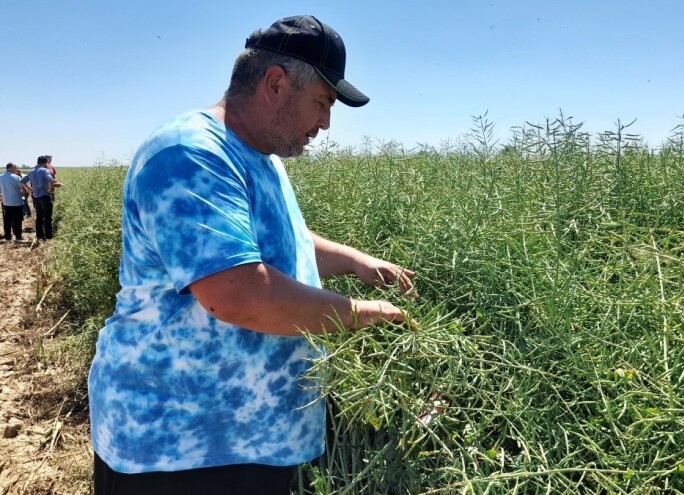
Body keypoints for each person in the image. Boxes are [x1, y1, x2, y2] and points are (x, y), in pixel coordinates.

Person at [88, 15, 415, 495]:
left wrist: (352, 260)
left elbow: (284, 239)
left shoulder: (259, 157)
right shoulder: (191, 153)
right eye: (323, 102)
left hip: (251, 442)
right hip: (183, 454)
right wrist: (359, 314)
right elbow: (236, 293)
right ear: (277, 83)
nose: (325, 123)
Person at [21, 156, 56, 240]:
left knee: (39, 216)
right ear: (45, 163)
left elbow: (22, 181)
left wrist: (28, 188)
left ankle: (39, 236)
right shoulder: (45, 171)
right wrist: (50, 190)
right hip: (45, 195)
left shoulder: (31, 172)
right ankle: (48, 236)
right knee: (47, 217)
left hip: (36, 196)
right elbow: (51, 180)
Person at [0, 162, 28, 242]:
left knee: (7, 220)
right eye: (15, 168)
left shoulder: (1, 177)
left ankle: (8, 236)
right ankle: (18, 236)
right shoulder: (16, 177)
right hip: (17, 202)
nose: (17, 169)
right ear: (11, 168)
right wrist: (23, 194)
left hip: (6, 202)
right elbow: (23, 189)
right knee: (18, 220)